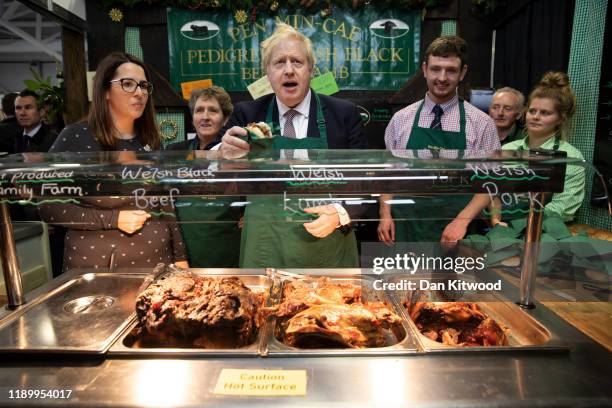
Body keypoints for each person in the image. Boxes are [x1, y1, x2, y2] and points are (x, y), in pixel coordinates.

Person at [217, 23, 367, 268]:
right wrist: (223, 152)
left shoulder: (343, 113)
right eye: (279, 62)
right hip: (266, 245)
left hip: (327, 242)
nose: (288, 70)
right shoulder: (246, 114)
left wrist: (340, 211)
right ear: (267, 72)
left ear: (311, 69)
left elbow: (366, 179)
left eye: (297, 62)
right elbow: (217, 165)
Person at [40, 52, 188, 271]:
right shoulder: (75, 137)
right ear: (105, 91)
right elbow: (47, 207)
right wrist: (112, 218)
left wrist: (180, 256)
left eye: (144, 86)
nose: (139, 93)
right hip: (99, 266)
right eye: (128, 84)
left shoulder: (150, 141)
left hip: (158, 263)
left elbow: (164, 202)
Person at [378, 36, 500, 245]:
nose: (442, 77)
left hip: (459, 228)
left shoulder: (481, 123)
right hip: (406, 225)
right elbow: (389, 172)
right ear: (425, 69)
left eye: (451, 70)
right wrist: (385, 213)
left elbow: (491, 181)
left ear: (462, 73)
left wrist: (462, 221)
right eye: (436, 69)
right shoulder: (401, 119)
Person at [441, 71, 585, 243]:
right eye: (533, 111)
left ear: (561, 118)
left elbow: (564, 208)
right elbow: (491, 189)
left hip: (545, 231)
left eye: (545, 113)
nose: (536, 117)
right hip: (503, 229)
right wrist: (496, 220)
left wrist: (522, 223)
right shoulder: (508, 149)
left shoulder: (570, 157)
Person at [167, 86, 242, 267]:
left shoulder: (239, 153)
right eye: (199, 110)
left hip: (227, 246)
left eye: (213, 111)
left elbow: (256, 192)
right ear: (192, 118)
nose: (205, 116)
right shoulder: (174, 152)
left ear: (224, 119)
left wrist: (248, 214)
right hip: (184, 244)